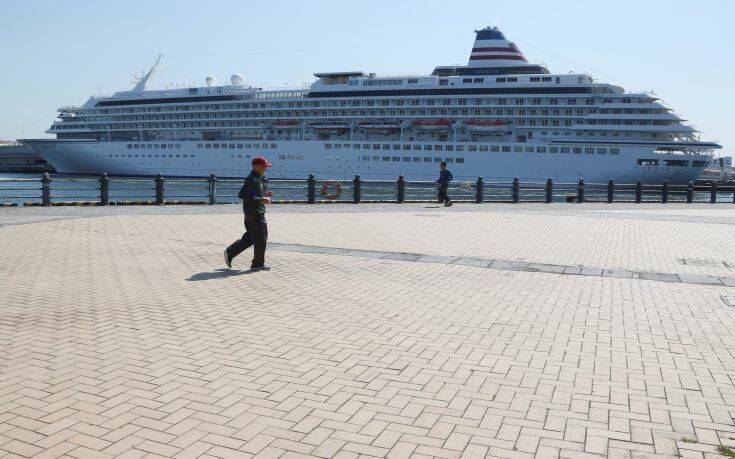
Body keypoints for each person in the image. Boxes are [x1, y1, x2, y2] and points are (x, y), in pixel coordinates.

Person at [224, 156, 274, 271]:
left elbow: (254, 193)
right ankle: (257, 264)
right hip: (254, 213)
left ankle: (230, 252)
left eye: (266, 166)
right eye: (263, 166)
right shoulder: (252, 179)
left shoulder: (258, 178)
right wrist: (259, 200)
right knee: (261, 238)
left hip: (254, 212)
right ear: (255, 166)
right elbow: (242, 195)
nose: (265, 168)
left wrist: (266, 194)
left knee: (252, 237)